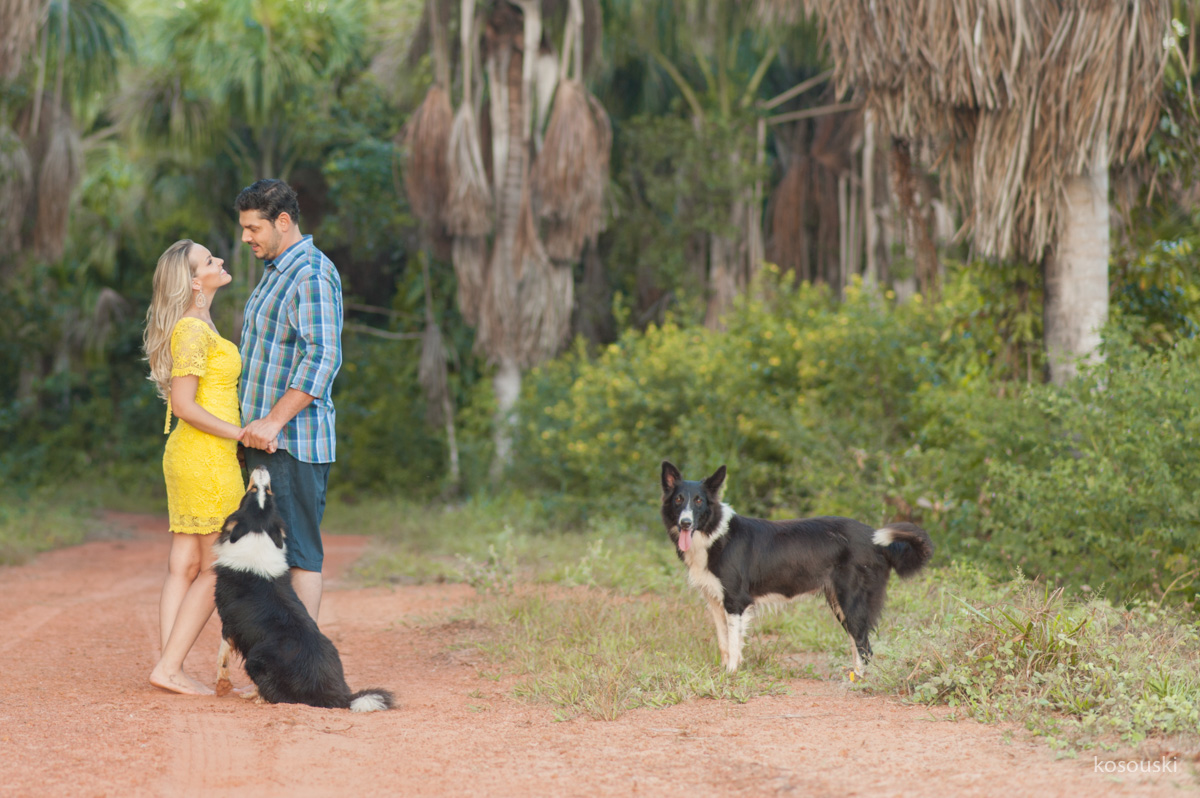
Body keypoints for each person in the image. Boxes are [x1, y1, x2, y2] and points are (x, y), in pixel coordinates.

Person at [142, 239, 276, 695]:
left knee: (183, 564)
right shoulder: (193, 330)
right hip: (204, 456)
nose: (219, 260)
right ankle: (170, 668)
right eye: (208, 260)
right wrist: (241, 434)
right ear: (195, 282)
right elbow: (183, 405)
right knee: (217, 566)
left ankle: (170, 667)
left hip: (195, 454)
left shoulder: (198, 324)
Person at [235, 178, 344, 623]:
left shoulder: (310, 274)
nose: (246, 238)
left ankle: (303, 660)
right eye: (244, 228)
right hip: (263, 442)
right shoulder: (276, 271)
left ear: (283, 221)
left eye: (253, 228)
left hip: (292, 443)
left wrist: (273, 421)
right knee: (266, 557)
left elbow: (323, 356)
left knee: (298, 556)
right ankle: (278, 656)